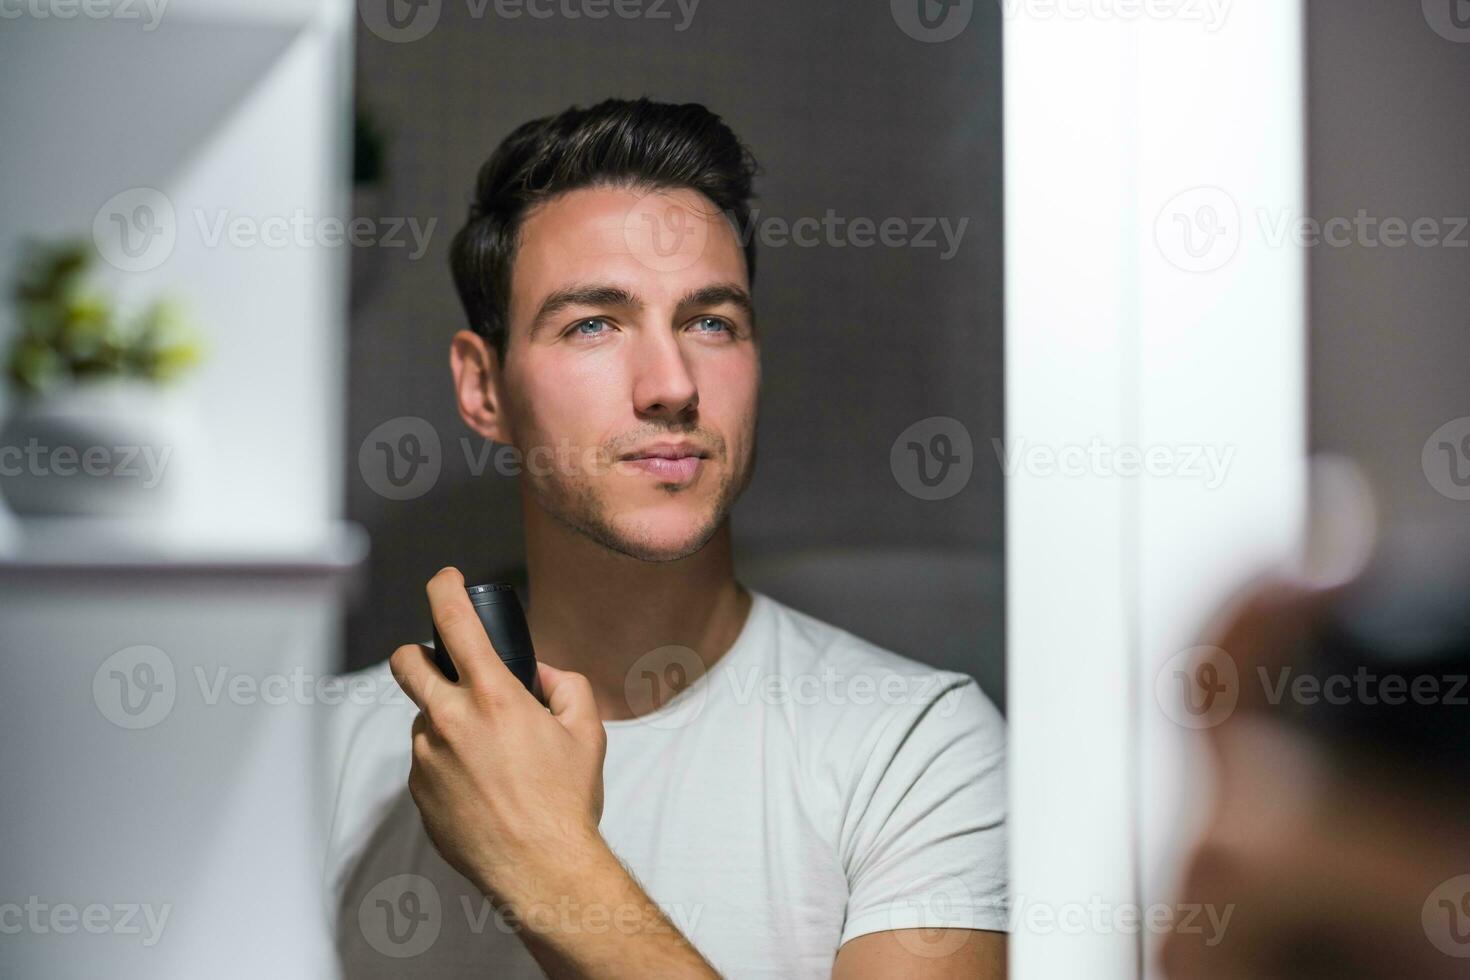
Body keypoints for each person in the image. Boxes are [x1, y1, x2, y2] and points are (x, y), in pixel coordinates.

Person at [321, 97, 1007, 978]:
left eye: (710, 321)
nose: (672, 385)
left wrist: (544, 860)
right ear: (484, 387)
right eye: (594, 324)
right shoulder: (320, 762)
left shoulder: (917, 752)